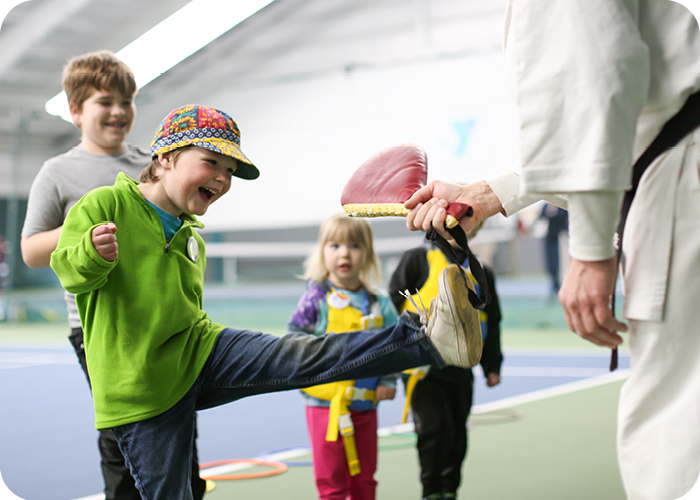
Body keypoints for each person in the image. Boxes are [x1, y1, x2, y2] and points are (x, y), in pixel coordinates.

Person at [49, 103, 484, 500]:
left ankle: (426, 339)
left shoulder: (190, 236)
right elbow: (68, 269)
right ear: (165, 157)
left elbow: (186, 310)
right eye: (212, 162)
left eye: (229, 171)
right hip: (141, 392)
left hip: (198, 350)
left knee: (299, 355)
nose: (222, 178)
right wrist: (92, 252)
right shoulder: (106, 204)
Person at [403, 3, 700, 499]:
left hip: (674, 176)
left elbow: (601, 88)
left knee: (670, 423)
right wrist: (487, 194)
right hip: (667, 165)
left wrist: (587, 251)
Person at [19, 51, 207, 500]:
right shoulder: (58, 173)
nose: (119, 111)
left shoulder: (155, 162)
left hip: (167, 322)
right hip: (101, 328)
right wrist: (90, 223)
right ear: (76, 111)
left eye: (127, 100)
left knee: (179, 424)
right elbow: (30, 250)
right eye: (106, 101)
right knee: (126, 435)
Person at [288, 213, 399, 500]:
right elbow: (293, 338)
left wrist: (388, 379)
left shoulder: (379, 303)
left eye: (355, 246)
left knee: (363, 480)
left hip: (365, 406)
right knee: (330, 482)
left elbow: (395, 346)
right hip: (323, 406)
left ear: (367, 254)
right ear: (322, 251)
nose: (344, 254)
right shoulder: (314, 299)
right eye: (335, 246)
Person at [389, 224, 503, 500]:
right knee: (434, 430)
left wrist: (492, 365)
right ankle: (431, 491)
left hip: (461, 368)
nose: (456, 228)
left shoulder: (482, 273)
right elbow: (393, 303)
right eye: (449, 222)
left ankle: (450, 489)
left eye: (464, 220)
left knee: (457, 434)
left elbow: (492, 320)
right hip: (424, 369)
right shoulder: (416, 260)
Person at [538, 203, 568, 296]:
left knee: (563, 263)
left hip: (562, 239)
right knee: (552, 263)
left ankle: (565, 284)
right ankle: (554, 283)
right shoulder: (545, 207)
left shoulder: (562, 207)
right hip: (550, 239)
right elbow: (540, 218)